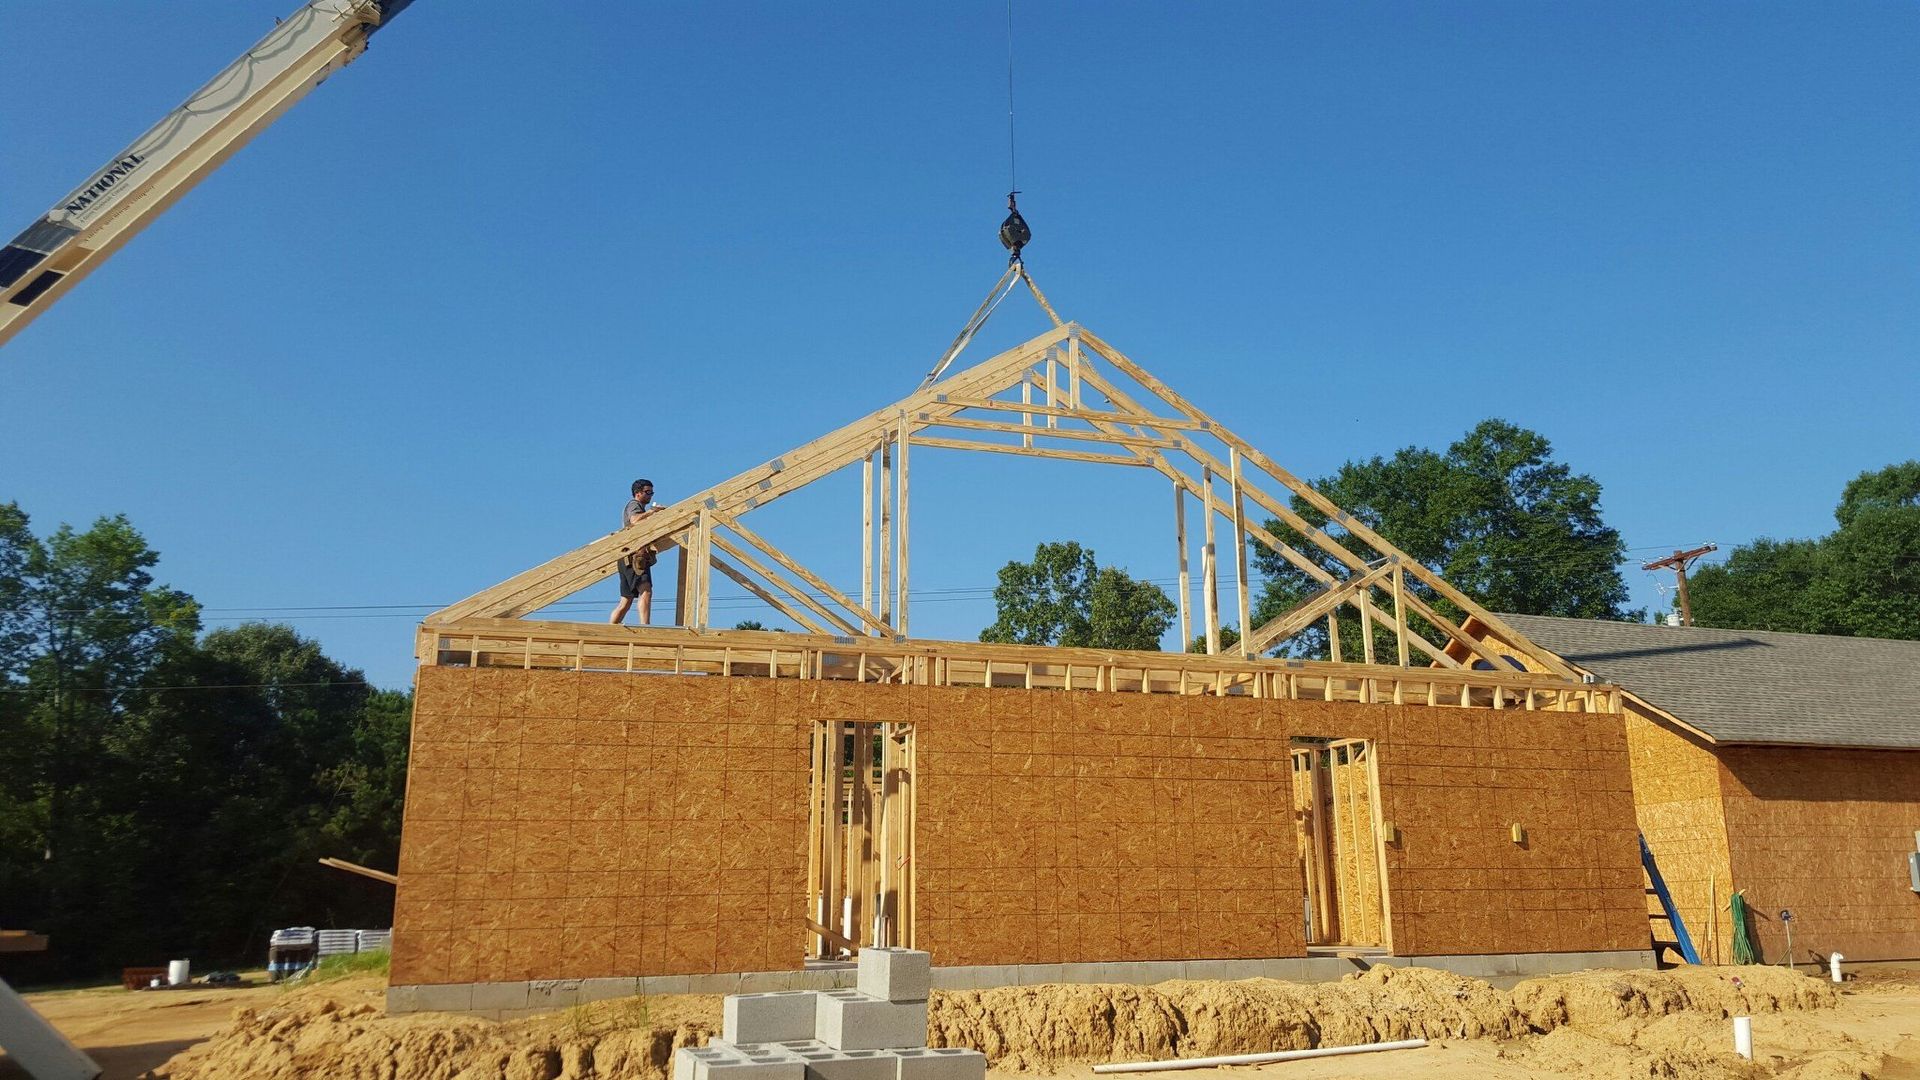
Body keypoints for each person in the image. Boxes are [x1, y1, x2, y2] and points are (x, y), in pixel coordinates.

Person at [611, 478, 659, 625]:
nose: (650, 495)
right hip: (634, 557)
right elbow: (634, 520)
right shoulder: (634, 504)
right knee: (646, 591)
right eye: (647, 492)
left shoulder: (638, 506)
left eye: (652, 492)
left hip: (625, 558)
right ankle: (645, 628)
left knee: (626, 601)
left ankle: (610, 631)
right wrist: (652, 512)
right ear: (637, 493)